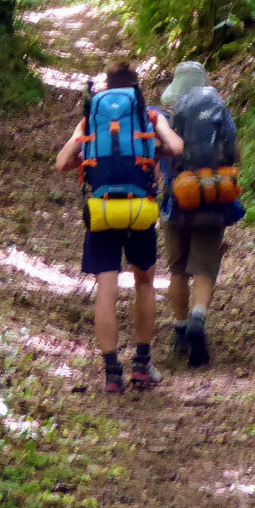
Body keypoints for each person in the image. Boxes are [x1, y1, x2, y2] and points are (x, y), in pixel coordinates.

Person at [56, 60, 183, 394]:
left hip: (101, 212)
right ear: (135, 86)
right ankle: (142, 366)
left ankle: (112, 373)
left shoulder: (91, 118)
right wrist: (152, 150)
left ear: (107, 88)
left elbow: (61, 162)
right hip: (140, 209)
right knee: (144, 283)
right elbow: (177, 147)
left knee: (106, 289)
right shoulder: (149, 116)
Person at [158, 60, 243, 369]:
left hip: (178, 199)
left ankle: (181, 330)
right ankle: (198, 318)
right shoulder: (219, 110)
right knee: (205, 268)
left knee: (178, 269)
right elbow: (234, 154)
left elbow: (163, 157)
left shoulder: (171, 116)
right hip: (213, 196)